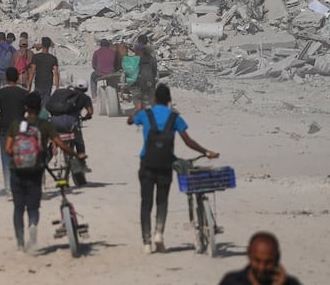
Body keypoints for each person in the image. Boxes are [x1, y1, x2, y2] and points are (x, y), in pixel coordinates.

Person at [128, 83, 218, 253]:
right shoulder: (174, 117)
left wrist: (137, 110)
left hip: (146, 164)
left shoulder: (146, 114)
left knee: (146, 202)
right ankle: (159, 235)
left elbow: (130, 120)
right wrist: (206, 152)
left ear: (154, 99)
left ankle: (147, 242)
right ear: (169, 100)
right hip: (166, 164)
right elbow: (188, 141)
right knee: (162, 201)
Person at [5, 91, 86, 251]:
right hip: (35, 171)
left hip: (17, 171)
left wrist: (18, 155)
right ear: (41, 107)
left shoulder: (16, 124)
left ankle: (21, 243)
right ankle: (33, 224)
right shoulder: (45, 125)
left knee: (18, 208)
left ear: (26, 107)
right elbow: (61, 144)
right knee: (33, 207)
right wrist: (76, 154)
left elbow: (8, 149)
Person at [0, 66, 29, 199]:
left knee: (6, 159)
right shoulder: (24, 93)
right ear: (17, 78)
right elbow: (29, 111)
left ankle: (9, 190)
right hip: (21, 129)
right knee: (21, 157)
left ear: (6, 78)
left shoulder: (0, 93)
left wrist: (3, 112)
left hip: (4, 129)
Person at [220, 232, 302, 285]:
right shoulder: (232, 282)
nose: (262, 267)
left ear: (277, 258)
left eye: (268, 262)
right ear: (249, 255)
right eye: (257, 261)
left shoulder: (291, 283)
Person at [46, 81, 93, 155]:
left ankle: (49, 156)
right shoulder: (85, 98)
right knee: (79, 140)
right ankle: (81, 160)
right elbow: (90, 112)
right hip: (70, 123)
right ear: (86, 89)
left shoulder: (66, 95)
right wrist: (86, 117)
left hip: (54, 121)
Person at [28, 36, 59, 107]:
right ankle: (44, 116)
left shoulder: (36, 57)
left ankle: (38, 115)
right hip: (48, 82)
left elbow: (32, 72)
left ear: (42, 45)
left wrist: (29, 84)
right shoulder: (53, 58)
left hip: (38, 81)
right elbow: (56, 73)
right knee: (46, 101)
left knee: (38, 101)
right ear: (49, 46)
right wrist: (57, 87)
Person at [133, 34, 158, 109]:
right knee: (153, 83)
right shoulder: (149, 47)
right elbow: (154, 60)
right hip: (148, 66)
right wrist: (155, 73)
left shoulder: (136, 47)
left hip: (138, 67)